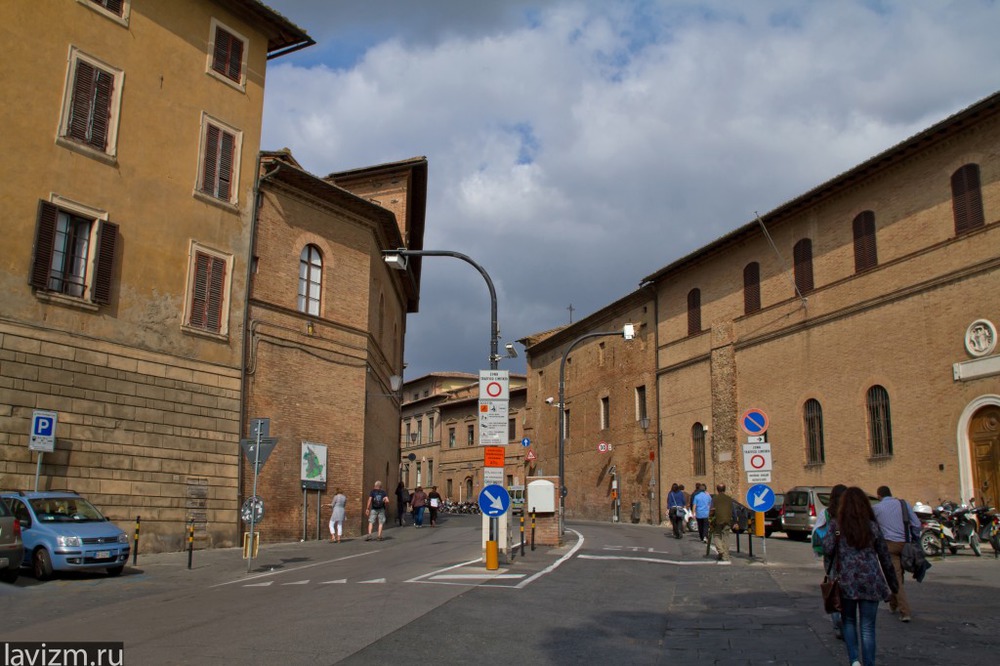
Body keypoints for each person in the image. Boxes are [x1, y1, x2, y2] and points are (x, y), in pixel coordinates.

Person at [822, 486, 899, 666]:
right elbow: (885, 557)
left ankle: (855, 660)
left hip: (847, 581)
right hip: (871, 580)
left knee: (848, 622)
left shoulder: (836, 525)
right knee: (868, 627)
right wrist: (893, 585)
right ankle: (869, 663)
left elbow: (826, 548)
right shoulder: (872, 526)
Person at [872, 485, 921, 623]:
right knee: (898, 576)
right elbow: (916, 524)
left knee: (896, 578)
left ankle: (905, 611)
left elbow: (872, 527)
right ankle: (893, 604)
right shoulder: (904, 504)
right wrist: (913, 538)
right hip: (906, 544)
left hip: (889, 545)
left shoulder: (876, 508)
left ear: (879, 496)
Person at [812, 484, 848, 638]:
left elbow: (816, 532)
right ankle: (847, 621)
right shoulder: (851, 513)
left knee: (833, 589)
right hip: (849, 558)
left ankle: (837, 624)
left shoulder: (826, 513)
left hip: (832, 558)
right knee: (847, 590)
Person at [709, 483, 737, 561]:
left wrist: (710, 520)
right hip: (727, 520)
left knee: (717, 535)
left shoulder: (714, 499)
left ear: (717, 490)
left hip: (717, 520)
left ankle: (721, 551)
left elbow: (711, 510)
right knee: (726, 537)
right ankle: (725, 555)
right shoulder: (729, 499)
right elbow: (733, 511)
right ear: (724, 489)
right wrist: (735, 521)